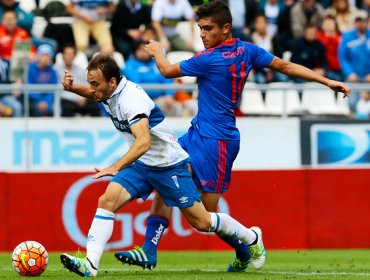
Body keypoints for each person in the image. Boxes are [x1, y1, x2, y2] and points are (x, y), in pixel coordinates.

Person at [117, 0, 350, 273]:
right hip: (196, 134)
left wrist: (157, 50)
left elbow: (168, 71)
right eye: (200, 29)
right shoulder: (247, 50)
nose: (202, 34)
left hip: (220, 143)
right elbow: (285, 67)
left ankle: (248, 240)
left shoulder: (208, 59)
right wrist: (327, 82)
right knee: (166, 179)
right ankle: (148, 250)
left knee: (203, 218)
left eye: (208, 29)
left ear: (225, 28)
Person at [59, 54, 266, 277]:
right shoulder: (108, 91)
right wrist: (72, 89)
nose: (92, 90)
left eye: (95, 84)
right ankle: (90, 264)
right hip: (142, 164)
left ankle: (250, 236)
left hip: (168, 165)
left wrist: (115, 166)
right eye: (90, 83)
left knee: (202, 220)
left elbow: (144, 142)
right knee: (107, 200)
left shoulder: (132, 100)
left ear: (112, 82)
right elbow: (93, 93)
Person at [123, 40, 183, 117]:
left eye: (145, 50)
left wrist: (169, 95)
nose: (143, 52)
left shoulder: (156, 63)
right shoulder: (129, 65)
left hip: (160, 99)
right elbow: (136, 83)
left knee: (176, 106)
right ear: (134, 51)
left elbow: (167, 79)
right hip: (141, 101)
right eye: (140, 50)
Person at [54, 44, 101, 117]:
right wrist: (76, 98)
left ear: (74, 56)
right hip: (66, 99)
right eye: (67, 54)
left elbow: (86, 86)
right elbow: (58, 89)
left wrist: (83, 97)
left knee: (94, 105)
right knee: (67, 106)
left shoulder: (81, 70)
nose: (69, 57)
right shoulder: (56, 70)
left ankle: (98, 127)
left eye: (71, 54)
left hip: (81, 98)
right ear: (63, 55)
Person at [338, 10, 370, 113]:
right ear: (355, 22)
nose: (360, 23)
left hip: (368, 77)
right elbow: (342, 57)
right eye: (358, 20)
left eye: (362, 20)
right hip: (353, 78)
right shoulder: (347, 36)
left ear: (366, 21)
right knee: (352, 104)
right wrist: (350, 73)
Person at [27, 44, 58, 117]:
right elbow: (28, 88)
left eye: (48, 56)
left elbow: (53, 90)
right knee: (37, 111)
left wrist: (46, 102)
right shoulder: (30, 69)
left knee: (56, 109)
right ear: (39, 56)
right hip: (33, 101)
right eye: (44, 55)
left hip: (47, 102)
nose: (46, 58)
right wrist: (39, 101)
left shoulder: (53, 72)